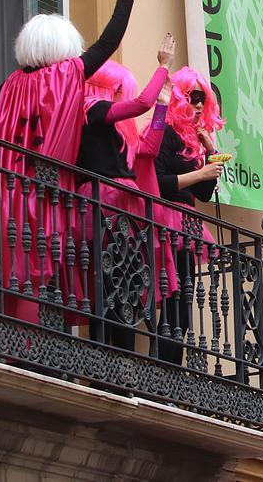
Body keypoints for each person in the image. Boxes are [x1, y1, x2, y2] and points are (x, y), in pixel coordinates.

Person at [0, 0, 136, 325]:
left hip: (7, 191)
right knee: (37, 272)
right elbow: (107, 44)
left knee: (14, 272)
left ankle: (17, 347)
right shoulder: (67, 75)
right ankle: (31, 351)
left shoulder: (8, 86)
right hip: (43, 193)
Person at [75, 35, 175, 351]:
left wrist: (162, 106)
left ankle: (120, 369)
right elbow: (139, 104)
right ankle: (107, 370)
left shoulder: (110, 127)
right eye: (119, 91)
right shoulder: (90, 110)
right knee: (105, 289)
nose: (122, 98)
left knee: (125, 292)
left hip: (120, 212)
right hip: (102, 207)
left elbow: (148, 148)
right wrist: (162, 68)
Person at [152, 67, 225, 364]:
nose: (197, 105)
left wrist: (211, 152)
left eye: (202, 100)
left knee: (182, 304)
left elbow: (205, 194)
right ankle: (164, 373)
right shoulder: (166, 132)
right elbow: (157, 181)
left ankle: (172, 374)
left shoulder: (191, 140)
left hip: (186, 225)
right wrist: (199, 173)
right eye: (193, 98)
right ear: (180, 98)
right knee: (172, 303)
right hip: (166, 221)